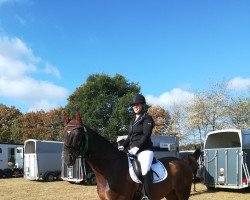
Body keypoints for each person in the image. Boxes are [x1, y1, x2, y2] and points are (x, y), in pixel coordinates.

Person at [118, 93, 154, 200]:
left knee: (144, 169)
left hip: (145, 150)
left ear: (143, 105)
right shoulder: (133, 120)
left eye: (137, 104)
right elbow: (130, 136)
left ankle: (147, 196)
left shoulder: (147, 118)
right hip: (132, 150)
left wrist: (137, 147)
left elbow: (146, 135)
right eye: (133, 105)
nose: (135, 106)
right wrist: (123, 146)